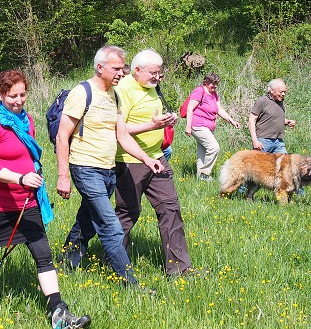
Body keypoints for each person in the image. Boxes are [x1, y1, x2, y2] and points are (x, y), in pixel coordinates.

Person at [0, 69, 91, 328]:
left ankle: (59, 313)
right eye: (13, 96)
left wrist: (32, 174)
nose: (19, 100)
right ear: (0, 94)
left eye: (23, 94)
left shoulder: (27, 121)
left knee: (43, 254)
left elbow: (29, 155)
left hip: (27, 201)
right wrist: (20, 178)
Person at [56, 46, 164, 289]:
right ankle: (131, 284)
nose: (120, 73)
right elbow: (63, 136)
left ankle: (65, 264)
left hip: (108, 169)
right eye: (116, 68)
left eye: (122, 68)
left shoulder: (113, 95)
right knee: (111, 227)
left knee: (86, 222)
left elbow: (122, 136)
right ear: (100, 67)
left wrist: (147, 159)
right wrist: (63, 176)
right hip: (85, 168)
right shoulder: (82, 92)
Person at [114, 49, 199, 277]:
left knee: (171, 210)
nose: (157, 77)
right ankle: (117, 267)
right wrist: (152, 126)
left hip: (158, 158)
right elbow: (118, 129)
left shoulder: (152, 88)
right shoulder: (122, 91)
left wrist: (166, 120)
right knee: (127, 213)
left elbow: (150, 119)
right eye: (153, 72)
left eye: (160, 72)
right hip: (130, 161)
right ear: (137, 70)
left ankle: (180, 269)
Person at [184, 72, 241, 180]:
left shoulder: (214, 95)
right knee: (214, 147)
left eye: (216, 84)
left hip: (209, 127)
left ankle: (201, 178)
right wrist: (188, 126)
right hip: (198, 125)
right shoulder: (199, 91)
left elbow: (219, 110)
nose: (214, 86)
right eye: (212, 84)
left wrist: (232, 121)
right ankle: (205, 173)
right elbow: (190, 108)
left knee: (203, 152)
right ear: (206, 82)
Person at [248, 79, 295, 153]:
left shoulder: (280, 102)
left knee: (284, 164)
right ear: (272, 90)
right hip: (263, 141)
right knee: (259, 164)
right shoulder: (263, 101)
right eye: (281, 92)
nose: (283, 94)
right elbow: (251, 120)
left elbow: (275, 118)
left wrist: (288, 121)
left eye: (284, 92)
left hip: (279, 141)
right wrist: (255, 140)